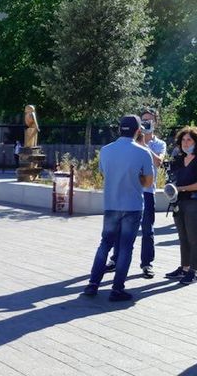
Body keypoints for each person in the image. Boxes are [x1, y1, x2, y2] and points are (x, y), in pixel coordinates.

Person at [83, 115, 154, 301]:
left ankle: (92, 284)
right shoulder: (143, 152)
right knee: (125, 248)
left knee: (105, 244)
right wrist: (134, 178)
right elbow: (148, 182)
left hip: (111, 205)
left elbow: (104, 173)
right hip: (132, 206)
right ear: (138, 130)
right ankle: (117, 289)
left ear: (119, 129)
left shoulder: (105, 150)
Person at [105, 109, 166, 278]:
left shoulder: (159, 143)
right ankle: (115, 260)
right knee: (119, 228)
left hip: (147, 191)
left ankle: (147, 263)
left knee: (147, 229)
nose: (146, 124)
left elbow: (159, 162)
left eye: (149, 121)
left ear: (155, 123)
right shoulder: (129, 141)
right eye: (143, 121)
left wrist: (145, 146)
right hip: (129, 191)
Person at [164, 126, 197, 285]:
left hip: (193, 202)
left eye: (189, 139)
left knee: (194, 238)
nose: (185, 142)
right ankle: (184, 268)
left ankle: (194, 271)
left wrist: (181, 188)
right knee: (183, 238)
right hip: (178, 202)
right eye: (183, 139)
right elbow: (171, 179)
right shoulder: (178, 159)